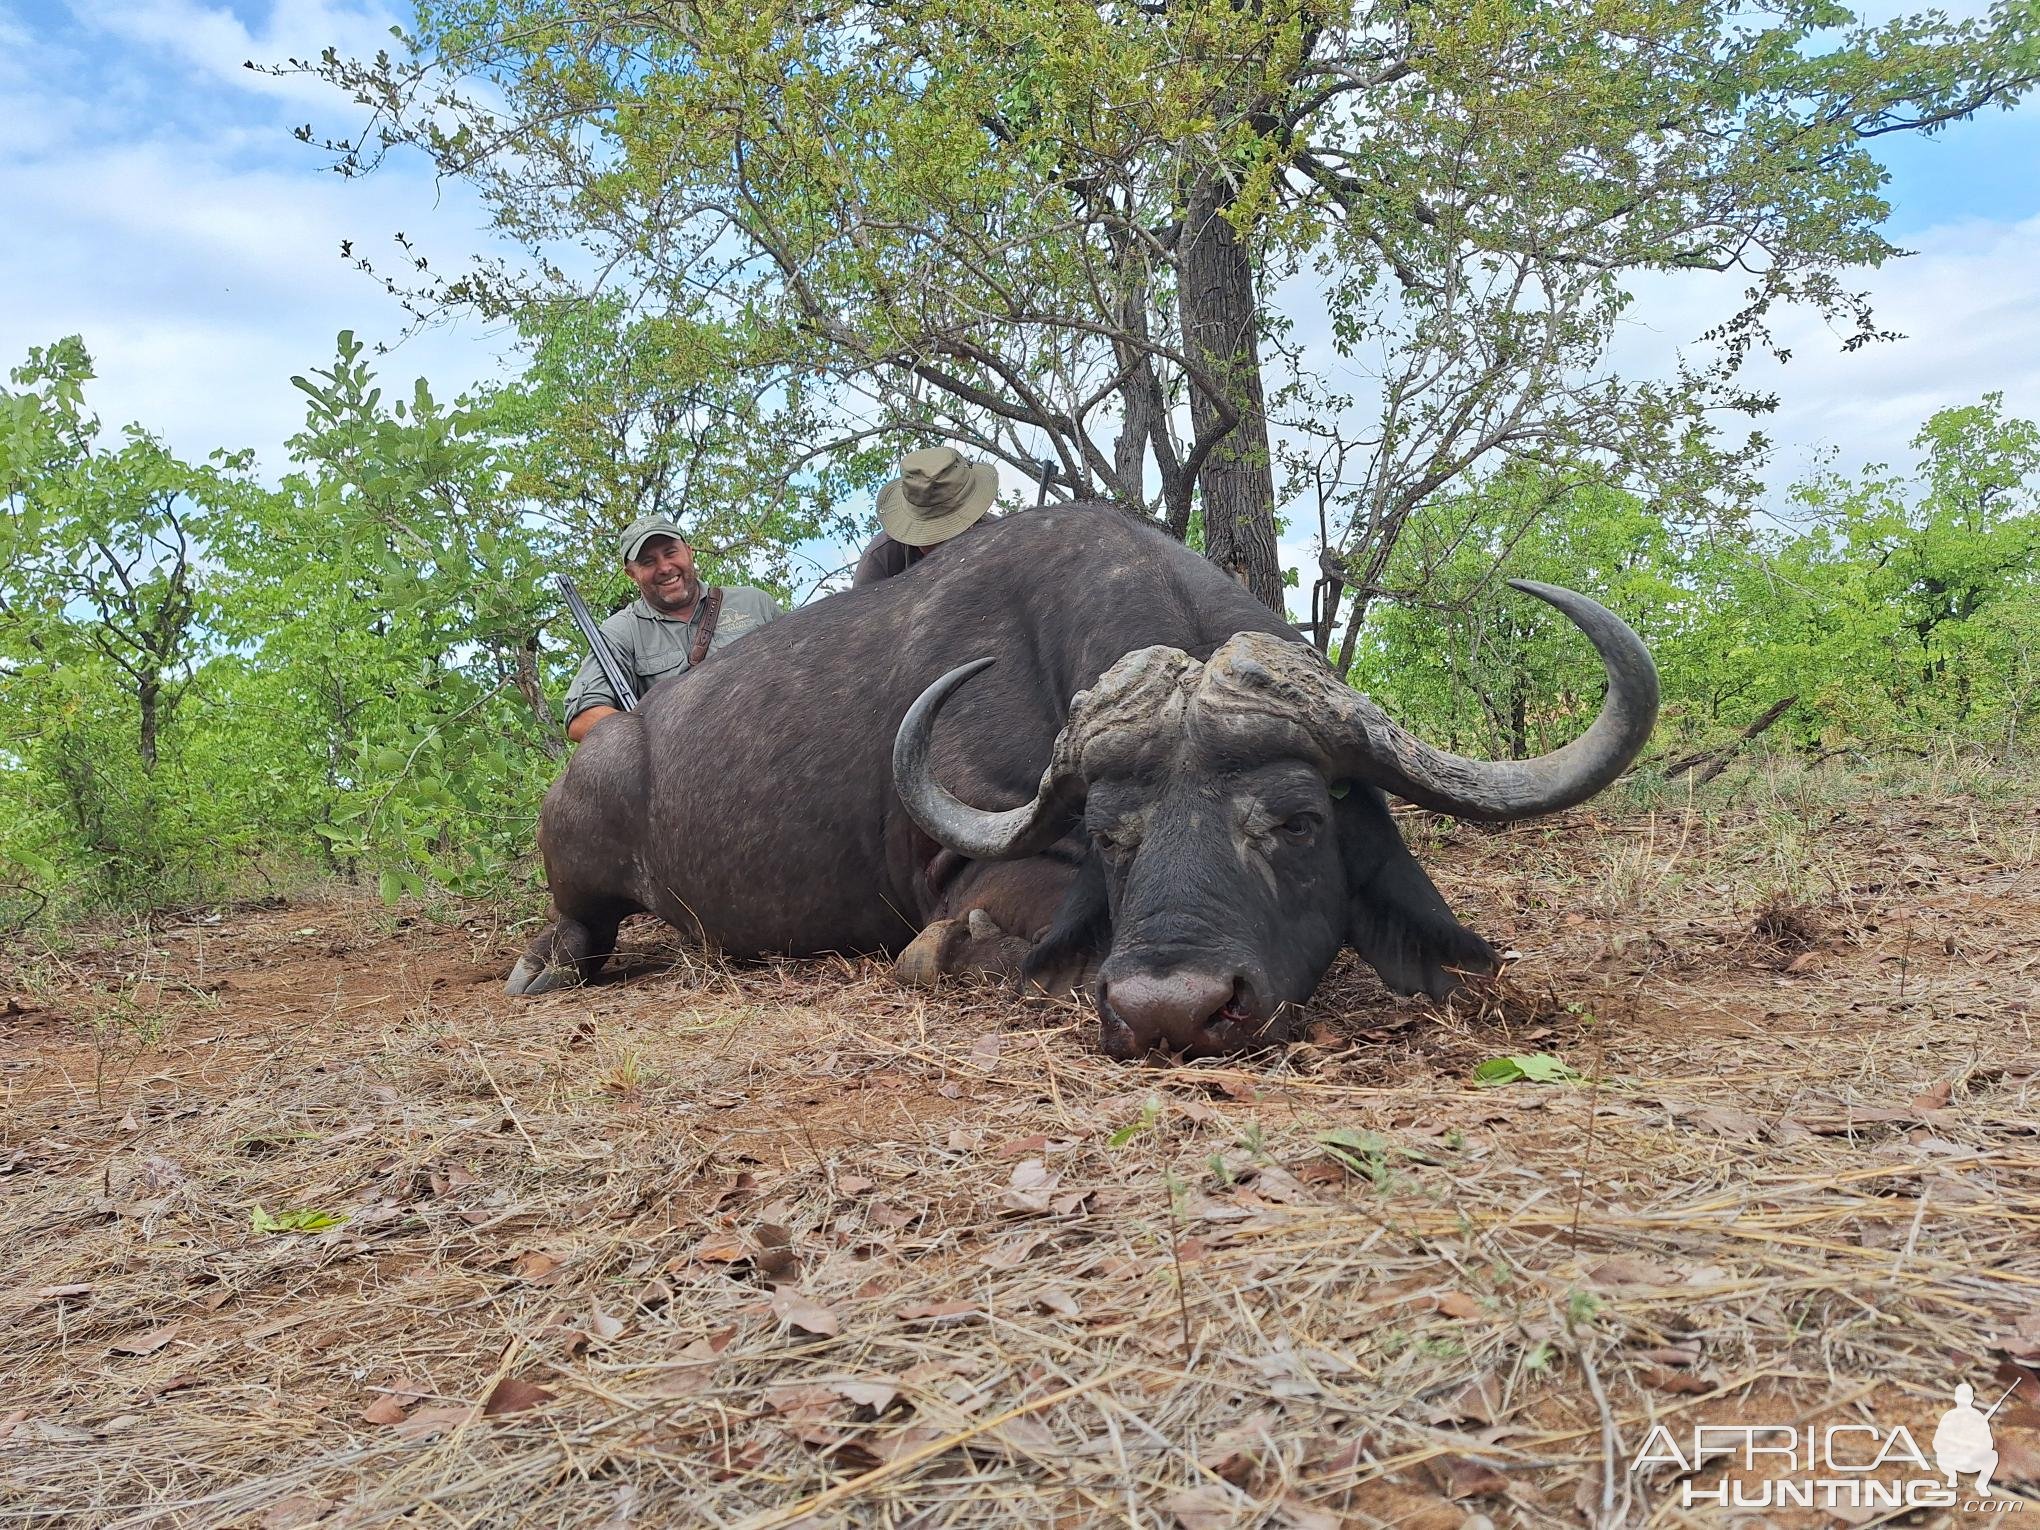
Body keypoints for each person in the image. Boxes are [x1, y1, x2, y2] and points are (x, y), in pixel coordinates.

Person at [563, 516, 784, 743]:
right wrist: (663, 740)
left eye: (670, 553)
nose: (665, 567)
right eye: (648, 562)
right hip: (694, 770)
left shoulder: (755, 603)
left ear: (689, 552)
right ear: (631, 574)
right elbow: (581, 718)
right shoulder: (620, 631)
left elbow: (798, 672)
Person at [851, 446, 999, 587]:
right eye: (934, 539)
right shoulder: (880, 560)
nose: (946, 548)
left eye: (953, 533)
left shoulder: (999, 538)